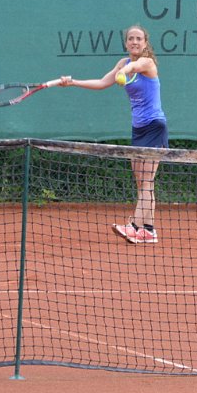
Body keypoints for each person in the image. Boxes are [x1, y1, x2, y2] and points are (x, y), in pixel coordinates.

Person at [58, 25, 168, 244]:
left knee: (147, 181)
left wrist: (124, 72)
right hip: (138, 129)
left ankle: (134, 227)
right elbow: (101, 83)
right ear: (126, 43)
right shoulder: (122, 63)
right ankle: (148, 230)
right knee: (143, 183)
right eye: (130, 38)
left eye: (138, 39)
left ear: (145, 43)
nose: (134, 42)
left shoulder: (147, 62)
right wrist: (73, 82)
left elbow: (134, 66)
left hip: (154, 126)